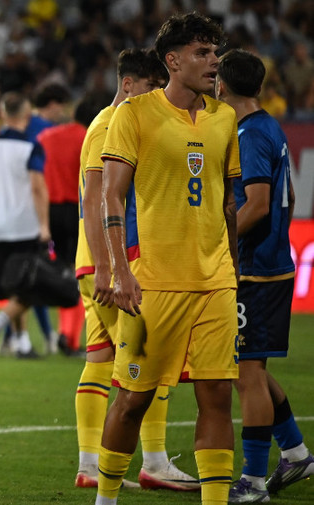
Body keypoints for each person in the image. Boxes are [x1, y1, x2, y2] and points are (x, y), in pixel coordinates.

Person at [96, 12, 240, 505]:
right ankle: (105, 498)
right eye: (202, 53)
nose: (213, 61)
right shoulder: (133, 115)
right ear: (172, 61)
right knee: (132, 400)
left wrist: (234, 270)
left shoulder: (224, 119)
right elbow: (110, 198)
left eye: (215, 53)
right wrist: (120, 271)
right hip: (151, 286)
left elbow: (226, 202)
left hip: (216, 282)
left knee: (217, 395)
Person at [73, 48, 199, 492]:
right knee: (150, 356)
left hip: (95, 260)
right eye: (149, 87)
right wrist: (110, 267)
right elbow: (95, 195)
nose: (154, 96)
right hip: (111, 261)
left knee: (101, 359)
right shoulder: (111, 125)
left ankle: (90, 464)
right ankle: (155, 461)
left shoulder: (108, 125)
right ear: (128, 85)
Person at [216, 49, 314, 503]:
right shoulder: (268, 126)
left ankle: (253, 482)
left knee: (246, 373)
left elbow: (257, 201)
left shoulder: (248, 133)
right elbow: (288, 198)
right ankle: (294, 453)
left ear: (222, 86)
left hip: (255, 271)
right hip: (269, 262)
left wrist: (220, 242)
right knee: (252, 367)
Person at [0, 91, 47, 360]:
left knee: (16, 288)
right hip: (25, 225)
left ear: (2, 114)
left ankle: (22, 343)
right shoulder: (30, 147)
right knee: (29, 287)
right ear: (27, 116)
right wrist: (45, 225)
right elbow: (38, 188)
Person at [25, 82, 72, 354]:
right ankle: (52, 336)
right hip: (48, 207)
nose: (62, 112)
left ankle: (12, 332)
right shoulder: (46, 132)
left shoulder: (26, 125)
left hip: (27, 208)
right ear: (53, 103)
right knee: (39, 273)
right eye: (62, 106)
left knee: (31, 273)